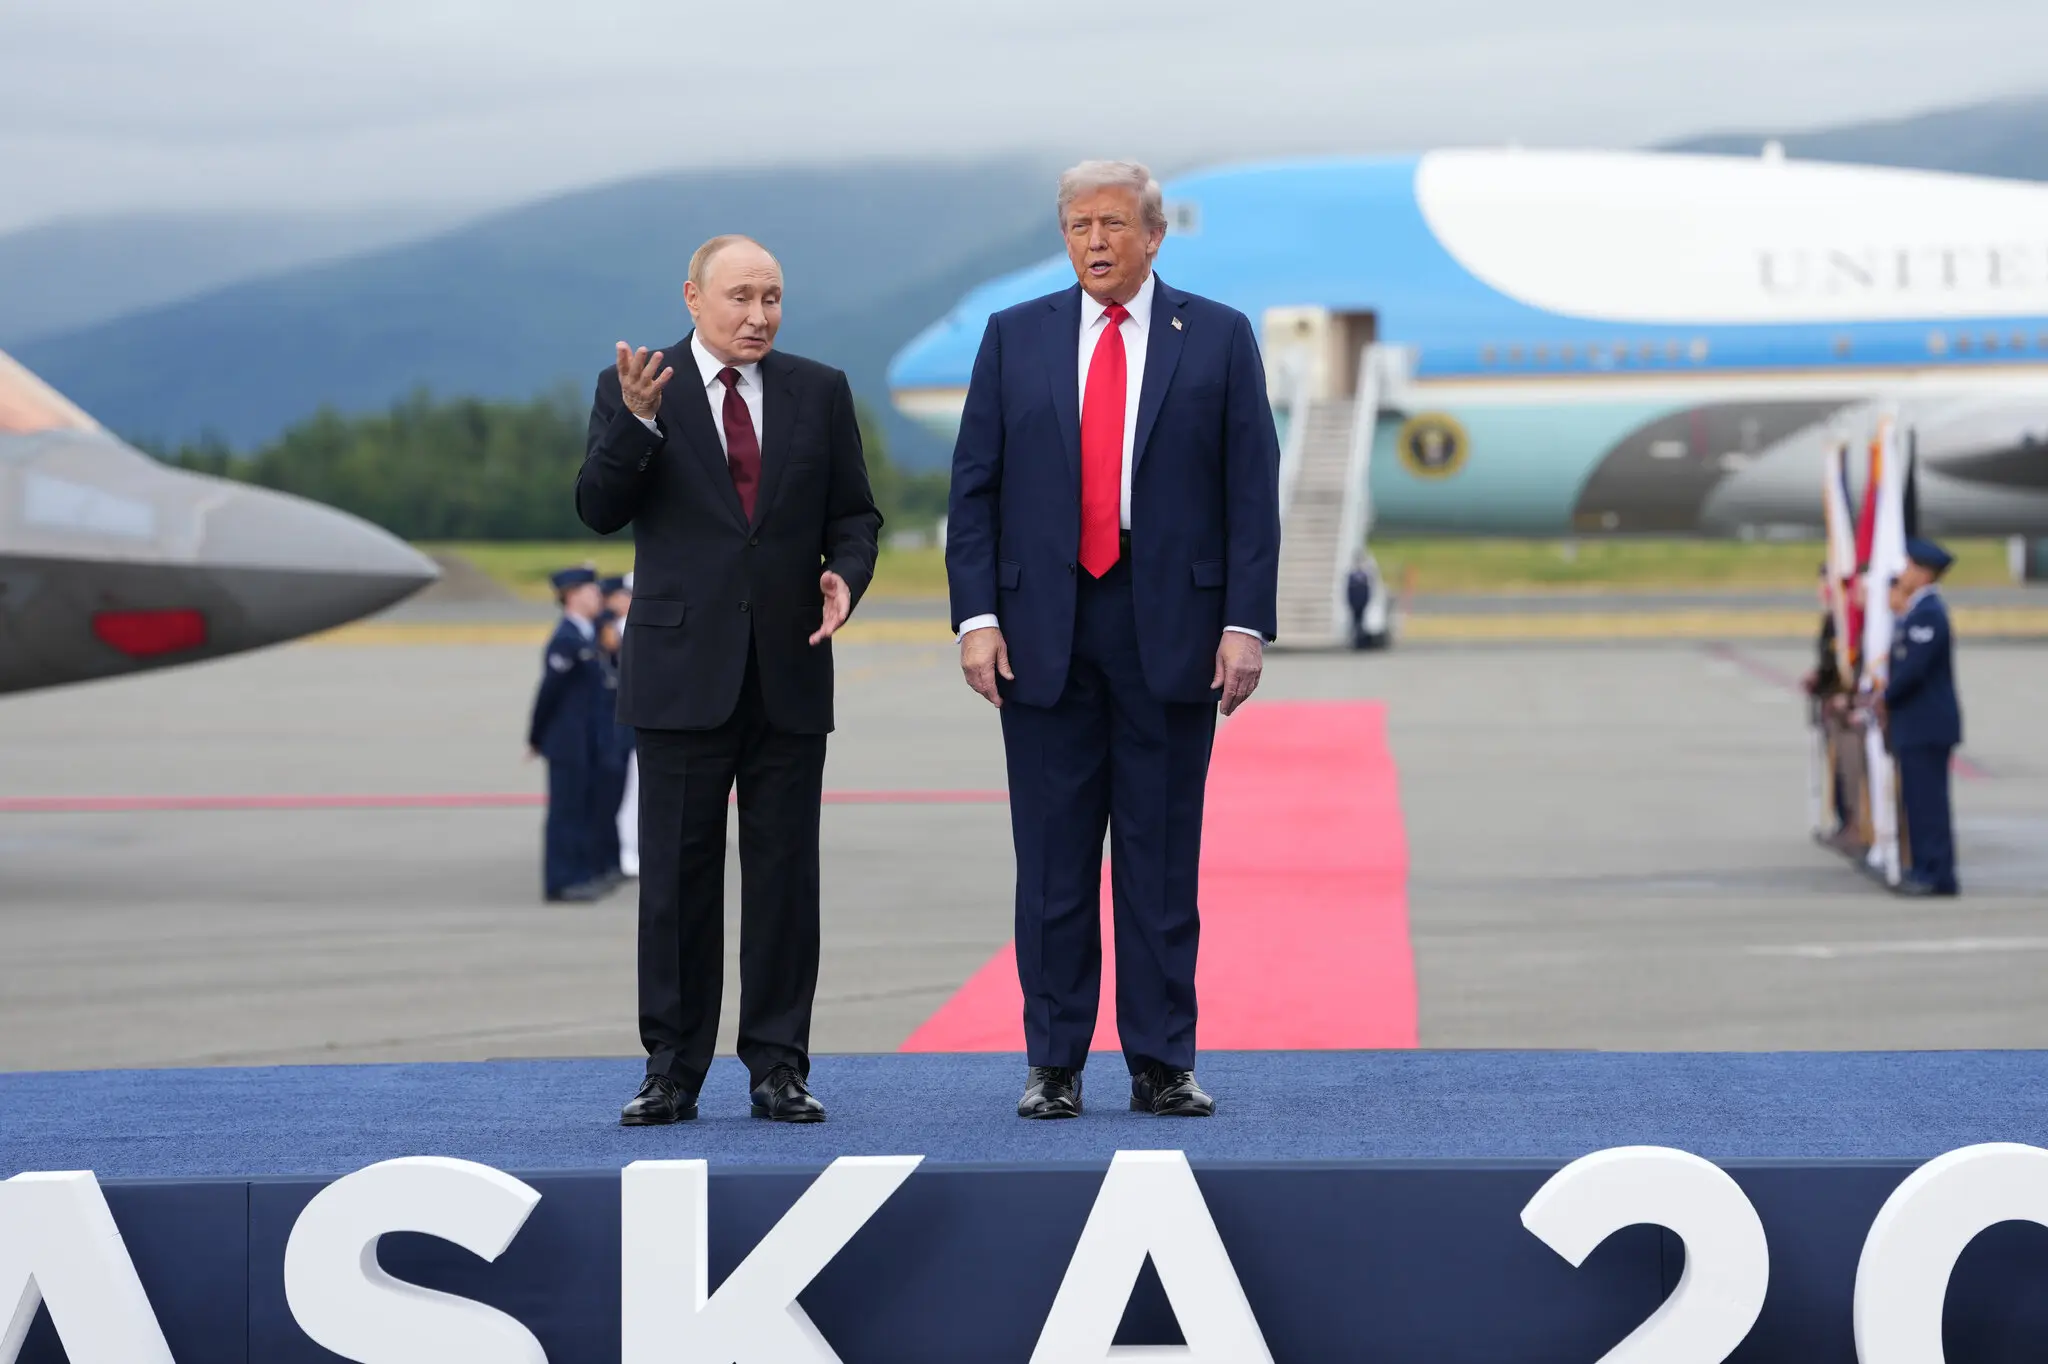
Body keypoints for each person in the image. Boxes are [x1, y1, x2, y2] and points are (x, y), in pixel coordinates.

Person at [946, 160, 1281, 1120]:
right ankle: (1053, 1061)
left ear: (1153, 235)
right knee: (1052, 861)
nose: (1095, 241)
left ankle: (1161, 1061)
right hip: (1042, 628)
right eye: (1078, 225)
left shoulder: (1217, 337)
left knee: (1160, 858)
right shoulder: (1015, 339)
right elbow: (974, 492)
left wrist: (1243, 622)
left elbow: (1249, 496)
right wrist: (976, 619)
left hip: (1170, 625)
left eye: (1113, 224)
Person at [576, 234, 881, 1126]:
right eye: (741, 297)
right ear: (693, 298)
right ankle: (671, 1068)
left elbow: (855, 514)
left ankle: (778, 1066)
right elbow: (597, 509)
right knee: (677, 880)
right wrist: (633, 426)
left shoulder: (818, 390)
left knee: (787, 879)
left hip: (790, 667)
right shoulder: (637, 387)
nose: (759, 315)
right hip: (680, 672)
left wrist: (846, 575)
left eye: (773, 298)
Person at [527, 566, 614, 904]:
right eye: (591, 592)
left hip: (585, 740)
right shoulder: (566, 639)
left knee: (581, 810)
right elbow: (549, 693)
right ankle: (560, 882)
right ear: (573, 596)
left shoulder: (586, 635)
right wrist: (536, 737)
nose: (598, 598)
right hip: (567, 742)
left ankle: (579, 874)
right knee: (566, 813)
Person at [1883, 539, 1963, 897]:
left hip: (1926, 723)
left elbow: (1913, 670)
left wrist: (1883, 698)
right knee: (1917, 800)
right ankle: (1924, 868)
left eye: (1909, 568)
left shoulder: (1929, 613)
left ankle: (1937, 874)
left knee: (1929, 803)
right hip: (1915, 722)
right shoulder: (1917, 612)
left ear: (1924, 573)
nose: (1903, 575)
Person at [590, 573, 635, 883]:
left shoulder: (617, 627)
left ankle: (627, 851)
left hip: (628, 725)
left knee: (633, 794)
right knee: (623, 796)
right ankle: (623, 852)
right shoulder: (607, 629)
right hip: (616, 726)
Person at [611, 571, 641, 880]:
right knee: (631, 795)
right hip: (628, 725)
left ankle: (632, 848)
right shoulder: (620, 629)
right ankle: (628, 849)